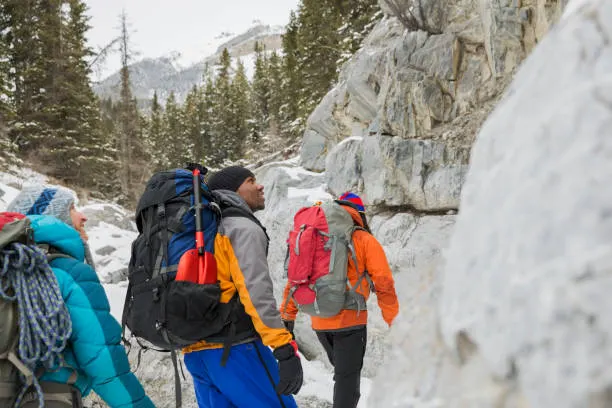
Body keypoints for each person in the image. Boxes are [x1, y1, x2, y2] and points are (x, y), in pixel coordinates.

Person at [5, 185, 155, 408]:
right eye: (72, 207)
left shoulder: (7, 269)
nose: (83, 216)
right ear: (49, 215)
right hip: (47, 398)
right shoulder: (66, 271)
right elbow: (105, 367)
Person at [182, 166, 302, 408]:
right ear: (233, 190)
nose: (260, 186)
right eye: (251, 180)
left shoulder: (200, 231)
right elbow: (255, 292)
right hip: (235, 350)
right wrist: (282, 347)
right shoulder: (240, 227)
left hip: (195, 352)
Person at [280, 191, 400, 408]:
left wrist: (288, 315)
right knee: (347, 382)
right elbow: (384, 282)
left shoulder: (316, 236)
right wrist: (394, 321)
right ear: (359, 214)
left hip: (319, 318)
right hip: (350, 320)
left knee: (342, 374)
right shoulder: (362, 238)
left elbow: (296, 277)